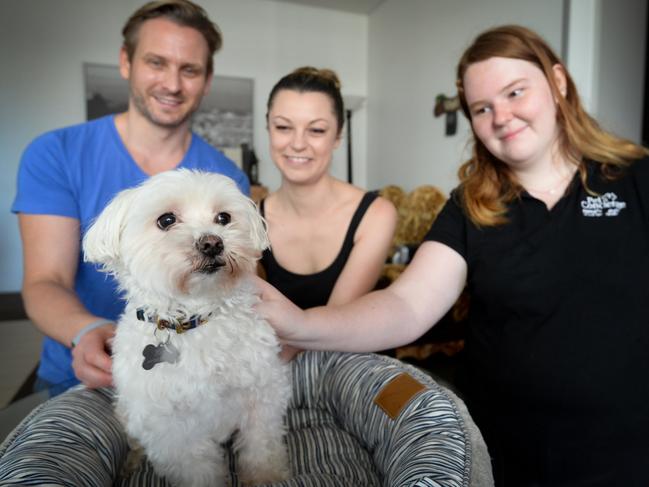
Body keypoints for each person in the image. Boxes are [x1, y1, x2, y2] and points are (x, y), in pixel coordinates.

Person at [256, 25, 649, 486]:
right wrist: (301, 325)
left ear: (558, 83)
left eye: (515, 92)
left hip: (625, 448)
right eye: (482, 108)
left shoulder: (634, 179)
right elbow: (407, 305)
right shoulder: (470, 205)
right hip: (502, 447)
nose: (501, 116)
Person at [12, 0, 249, 395]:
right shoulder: (55, 153)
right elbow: (45, 280)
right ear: (126, 62)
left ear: (207, 80)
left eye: (189, 69)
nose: (172, 84)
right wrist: (87, 330)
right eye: (156, 62)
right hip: (83, 375)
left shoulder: (227, 178)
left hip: (196, 381)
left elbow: (237, 286)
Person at [259, 67, 398, 359]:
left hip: (355, 376)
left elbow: (333, 323)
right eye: (283, 127)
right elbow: (246, 313)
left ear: (337, 137)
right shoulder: (250, 218)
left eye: (317, 130)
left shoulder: (375, 215)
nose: (297, 143)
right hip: (279, 376)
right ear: (268, 128)